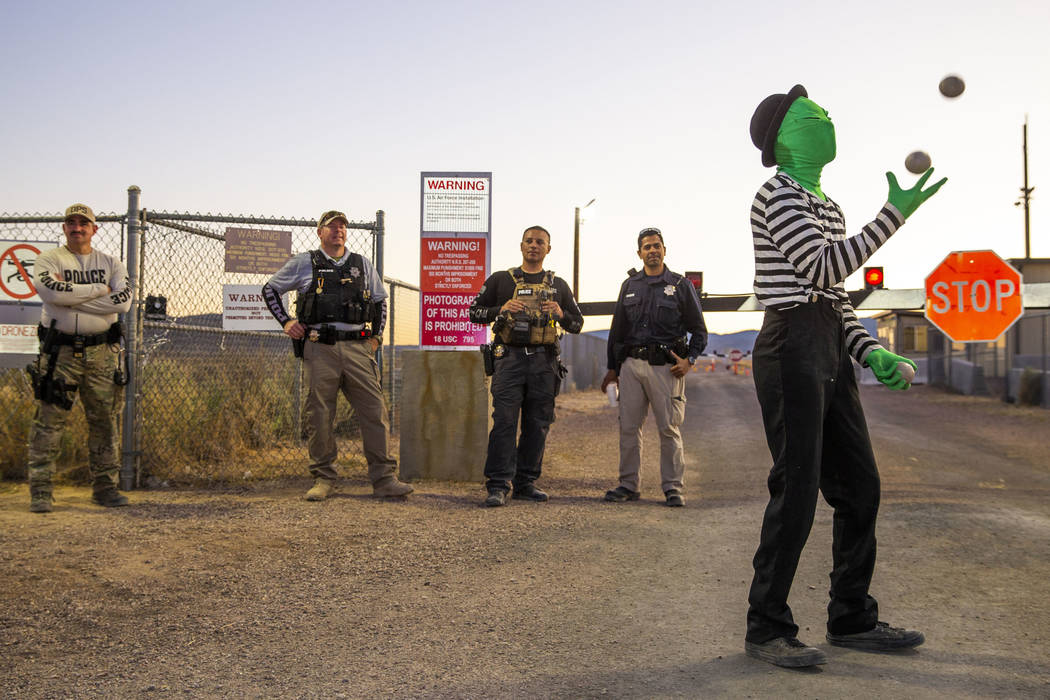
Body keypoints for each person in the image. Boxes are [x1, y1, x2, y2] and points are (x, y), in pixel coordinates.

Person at [743, 84, 946, 667]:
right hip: (789, 348)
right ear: (783, 136)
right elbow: (824, 264)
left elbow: (834, 295)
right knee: (799, 488)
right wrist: (895, 216)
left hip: (826, 340)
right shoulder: (776, 194)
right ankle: (766, 627)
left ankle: (851, 617)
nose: (826, 117)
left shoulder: (827, 206)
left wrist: (869, 350)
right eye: (812, 114)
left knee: (860, 487)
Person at [262, 209, 413, 500]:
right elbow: (270, 290)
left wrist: (377, 337)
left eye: (342, 226)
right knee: (319, 414)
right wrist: (287, 321)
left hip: (359, 347)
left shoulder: (362, 264)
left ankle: (383, 479)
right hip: (320, 347)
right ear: (320, 232)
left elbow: (380, 301)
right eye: (331, 226)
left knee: (374, 412)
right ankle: (323, 478)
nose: (338, 230)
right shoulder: (305, 262)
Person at [27, 203, 134, 512]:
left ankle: (105, 488)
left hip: (101, 353)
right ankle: (41, 492)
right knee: (49, 421)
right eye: (71, 223)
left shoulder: (111, 262)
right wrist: (99, 292)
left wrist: (74, 301)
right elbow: (52, 294)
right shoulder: (49, 259)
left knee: (104, 421)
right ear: (64, 228)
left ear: (94, 229)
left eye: (83, 223)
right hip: (60, 354)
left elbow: (124, 302)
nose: (77, 227)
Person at [468, 225, 583, 507]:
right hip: (509, 359)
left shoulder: (559, 286)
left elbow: (577, 324)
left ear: (548, 249)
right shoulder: (500, 280)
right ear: (521, 246)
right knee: (505, 422)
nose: (534, 245)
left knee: (538, 424)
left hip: (544, 362)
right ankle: (497, 485)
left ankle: (525, 482)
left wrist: (560, 313)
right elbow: (474, 313)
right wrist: (501, 309)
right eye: (529, 241)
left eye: (540, 242)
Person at [600, 228, 708, 507]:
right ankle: (628, 485)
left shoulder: (680, 285)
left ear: (664, 250)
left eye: (657, 246)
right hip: (631, 366)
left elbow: (699, 330)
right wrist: (613, 369)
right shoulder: (629, 286)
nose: (652, 250)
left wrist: (690, 361)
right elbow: (617, 331)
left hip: (666, 369)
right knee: (628, 427)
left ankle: (673, 488)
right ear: (639, 253)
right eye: (647, 247)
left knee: (669, 429)